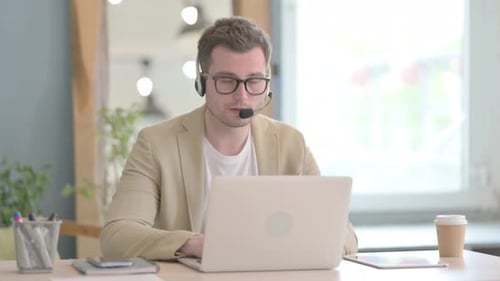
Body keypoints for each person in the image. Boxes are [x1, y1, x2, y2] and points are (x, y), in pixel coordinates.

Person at [100, 16, 358, 260]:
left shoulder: (291, 143)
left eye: (254, 81)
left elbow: (346, 235)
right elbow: (117, 238)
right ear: (202, 82)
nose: (242, 96)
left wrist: (296, 245)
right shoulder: (156, 143)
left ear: (267, 84)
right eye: (227, 81)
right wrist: (196, 244)